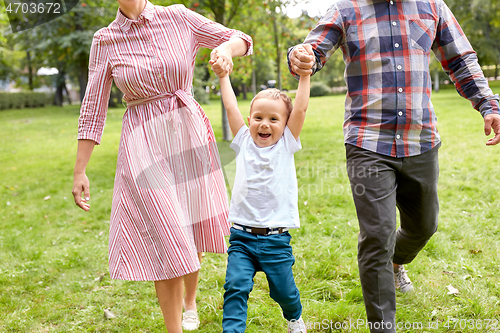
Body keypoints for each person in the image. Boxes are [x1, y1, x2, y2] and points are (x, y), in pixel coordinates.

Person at [287, 1, 500, 332]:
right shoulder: (346, 9)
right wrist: (300, 57)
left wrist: (487, 103)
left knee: (423, 226)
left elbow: (460, 60)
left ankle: (397, 262)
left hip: (421, 140)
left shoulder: (432, 6)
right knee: (377, 235)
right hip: (367, 140)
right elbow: (311, 52)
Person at [71, 0, 252, 332]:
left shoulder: (178, 16)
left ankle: (190, 302)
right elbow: (93, 105)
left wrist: (225, 48)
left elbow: (241, 38)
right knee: (167, 232)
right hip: (143, 142)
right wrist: (80, 169)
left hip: (187, 132)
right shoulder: (105, 39)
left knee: (190, 225)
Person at [210, 46, 311, 333]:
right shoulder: (243, 140)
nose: (264, 124)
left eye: (273, 119)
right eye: (258, 117)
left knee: (284, 292)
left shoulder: (287, 143)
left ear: (285, 124)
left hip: (275, 239)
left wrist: (304, 76)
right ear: (250, 119)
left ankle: (294, 316)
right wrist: (224, 76)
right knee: (235, 288)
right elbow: (231, 107)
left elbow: (300, 108)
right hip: (241, 236)